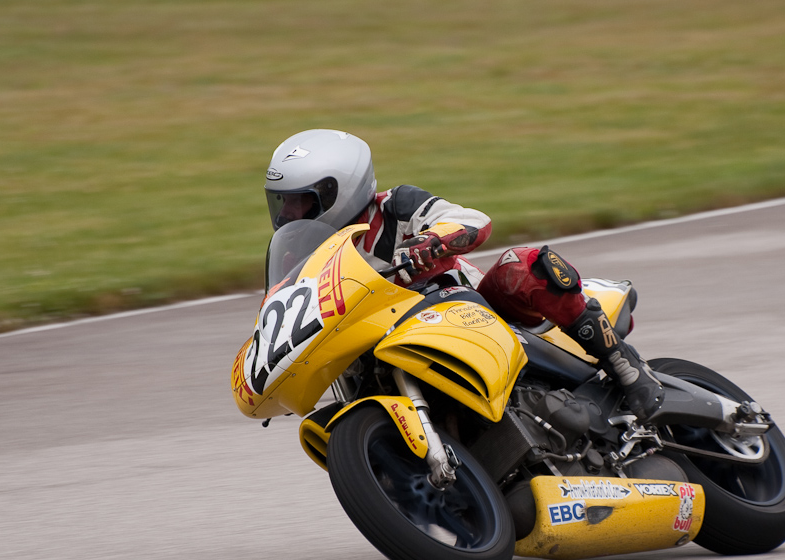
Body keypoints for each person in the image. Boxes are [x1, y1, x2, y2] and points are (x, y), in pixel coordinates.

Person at [263, 129, 664, 420]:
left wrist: (430, 243)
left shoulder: (397, 208)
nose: (286, 215)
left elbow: (470, 219)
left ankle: (623, 364)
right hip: (382, 344)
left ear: (339, 191)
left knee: (520, 265)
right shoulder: (304, 254)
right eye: (281, 202)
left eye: (300, 202)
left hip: (477, 315)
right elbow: (284, 308)